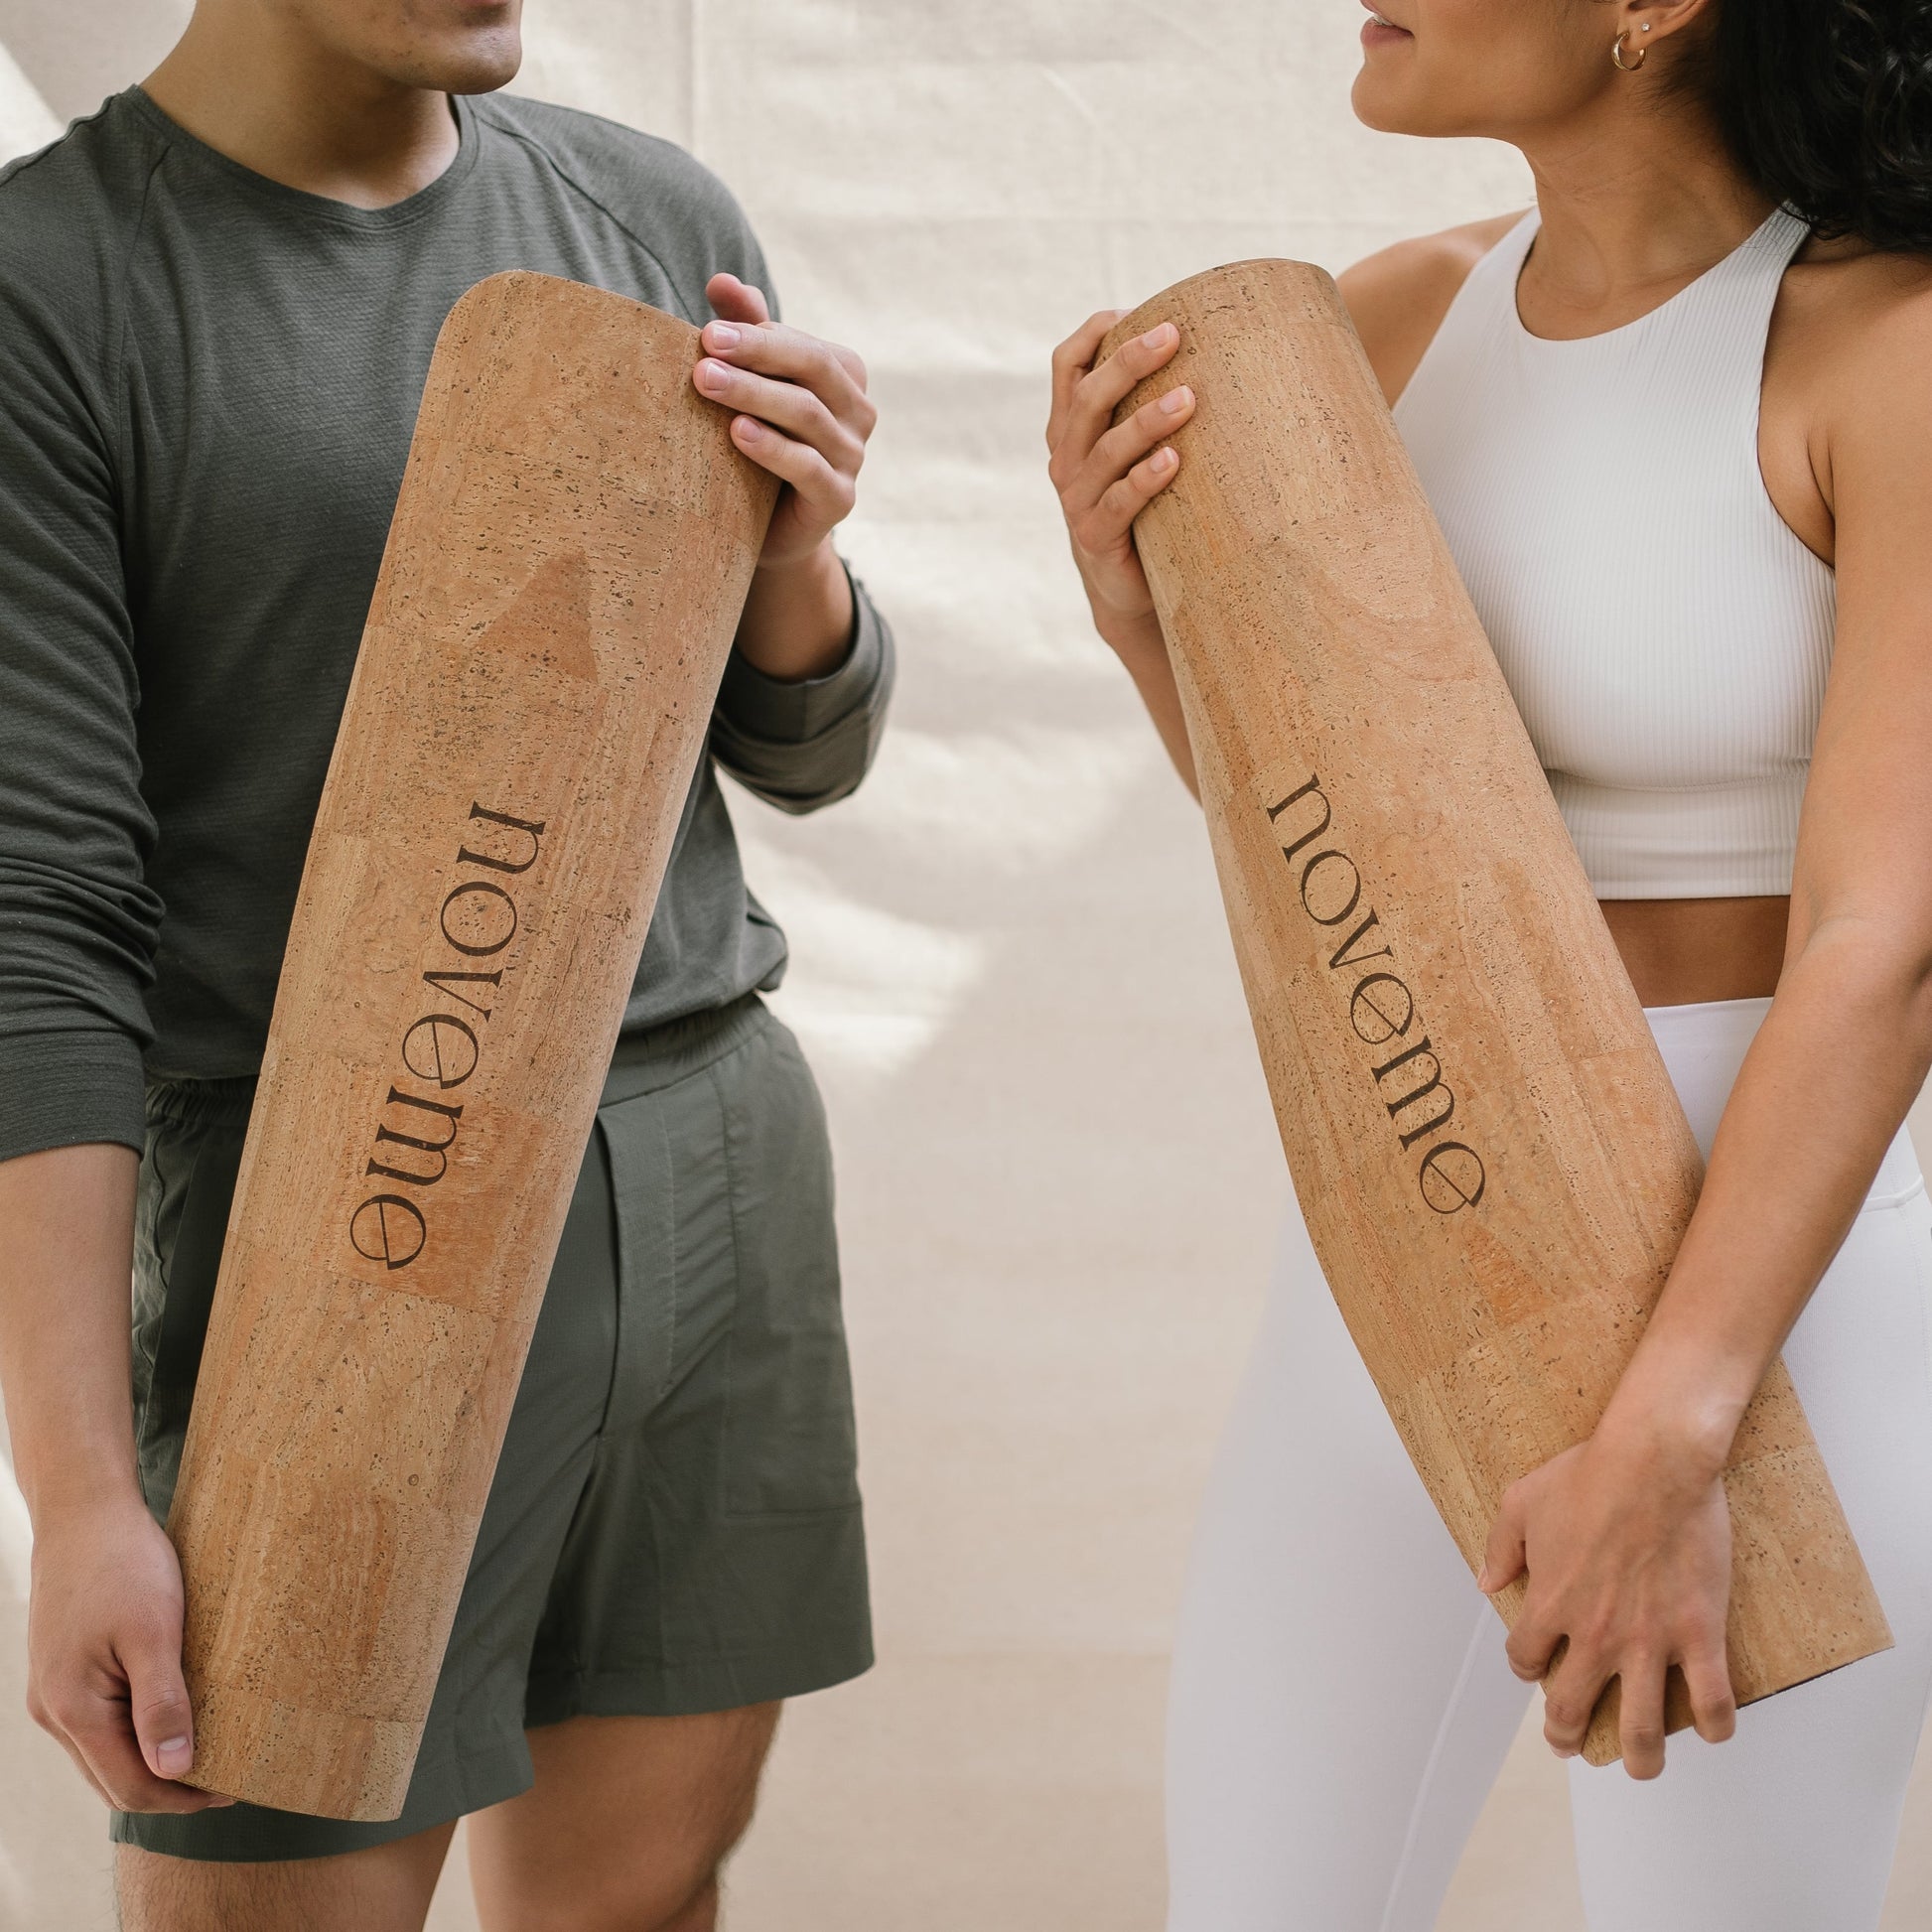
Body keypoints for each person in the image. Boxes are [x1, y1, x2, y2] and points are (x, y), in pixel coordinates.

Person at [0, 0, 892, 1924]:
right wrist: (77, 1490)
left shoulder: (653, 217)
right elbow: (43, 926)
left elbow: (799, 748)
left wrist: (801, 568)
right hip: (325, 1213)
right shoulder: (48, 287)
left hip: (706, 1153)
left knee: (644, 1896)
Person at [1048, 1, 1932, 1927]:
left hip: (1776, 1306)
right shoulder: (1381, 333)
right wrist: (1142, 623)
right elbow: (1323, 862)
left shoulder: (1883, 345)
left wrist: (1675, 1424)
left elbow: (1884, 947)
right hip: (1413, 1252)